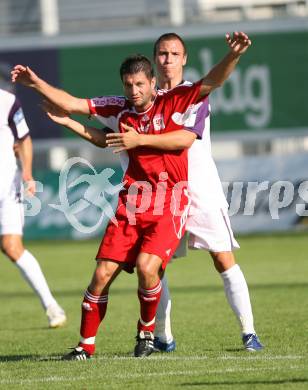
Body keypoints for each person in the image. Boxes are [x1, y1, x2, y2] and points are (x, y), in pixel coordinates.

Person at [11, 31, 251, 359]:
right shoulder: (120, 109)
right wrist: (37, 83)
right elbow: (78, 110)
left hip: (173, 199)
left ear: (152, 82)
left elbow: (194, 118)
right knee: (103, 275)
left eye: (140, 84)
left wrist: (234, 55)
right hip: (133, 204)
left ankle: (152, 333)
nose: (134, 90)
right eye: (129, 85)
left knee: (154, 265)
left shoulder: (177, 100)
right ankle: (88, 346)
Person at [106, 32, 263, 352]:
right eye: (162, 54)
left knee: (223, 259)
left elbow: (215, 79)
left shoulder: (192, 93)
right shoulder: (141, 99)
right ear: (154, 61)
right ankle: (163, 337)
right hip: (162, 195)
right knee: (153, 266)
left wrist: (233, 56)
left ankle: (249, 333)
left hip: (201, 189)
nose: (168, 59)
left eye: (174, 54)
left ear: (184, 59)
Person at [0, 86, 67, 328]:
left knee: (11, 246)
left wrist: (27, 173)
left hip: (7, 187)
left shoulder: (7, 102)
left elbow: (24, 139)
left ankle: (51, 306)